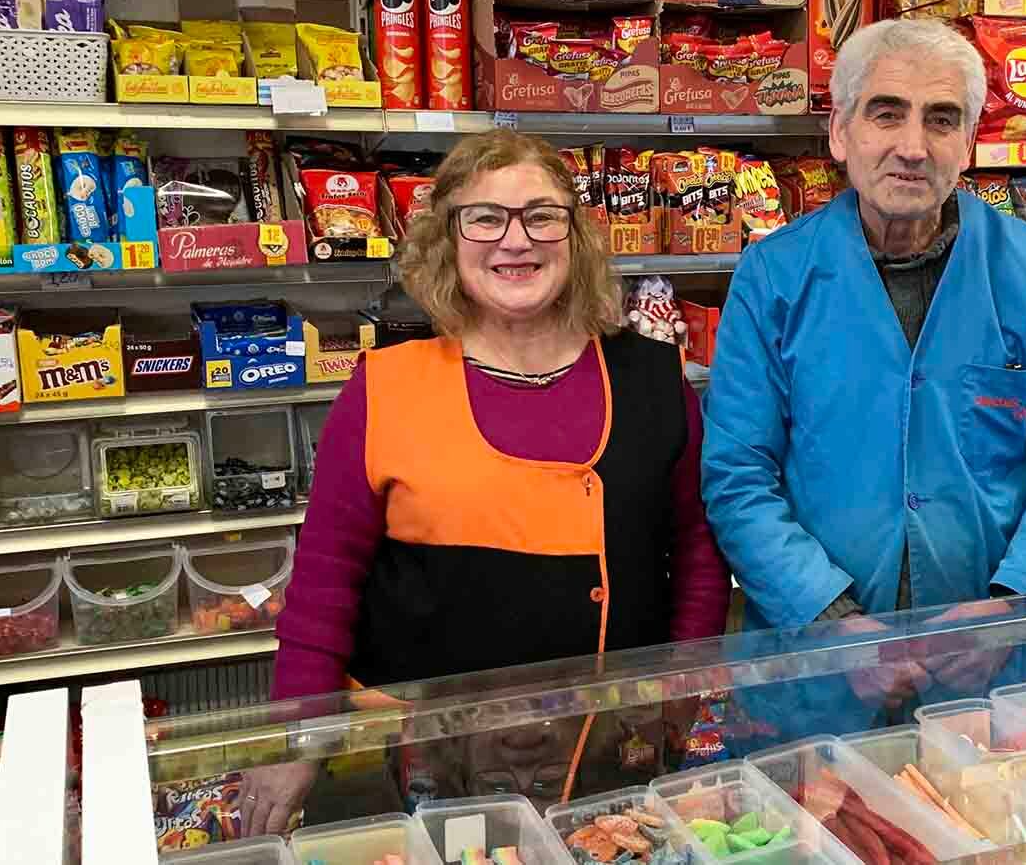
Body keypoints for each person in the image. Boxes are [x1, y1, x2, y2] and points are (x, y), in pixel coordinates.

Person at [239, 129, 730, 833]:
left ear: (576, 233)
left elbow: (697, 554)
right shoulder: (383, 387)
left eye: (541, 214)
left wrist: (679, 690)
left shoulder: (654, 378)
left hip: (615, 749)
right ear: (447, 238)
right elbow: (324, 581)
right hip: (437, 758)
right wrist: (299, 738)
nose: (515, 240)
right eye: (485, 217)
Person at [703, 18, 1026, 671]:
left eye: (940, 119)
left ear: (967, 143)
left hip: (988, 670)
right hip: (816, 676)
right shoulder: (773, 277)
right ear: (841, 133)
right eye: (886, 114)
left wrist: (1013, 605)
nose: (912, 145)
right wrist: (828, 619)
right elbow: (738, 476)